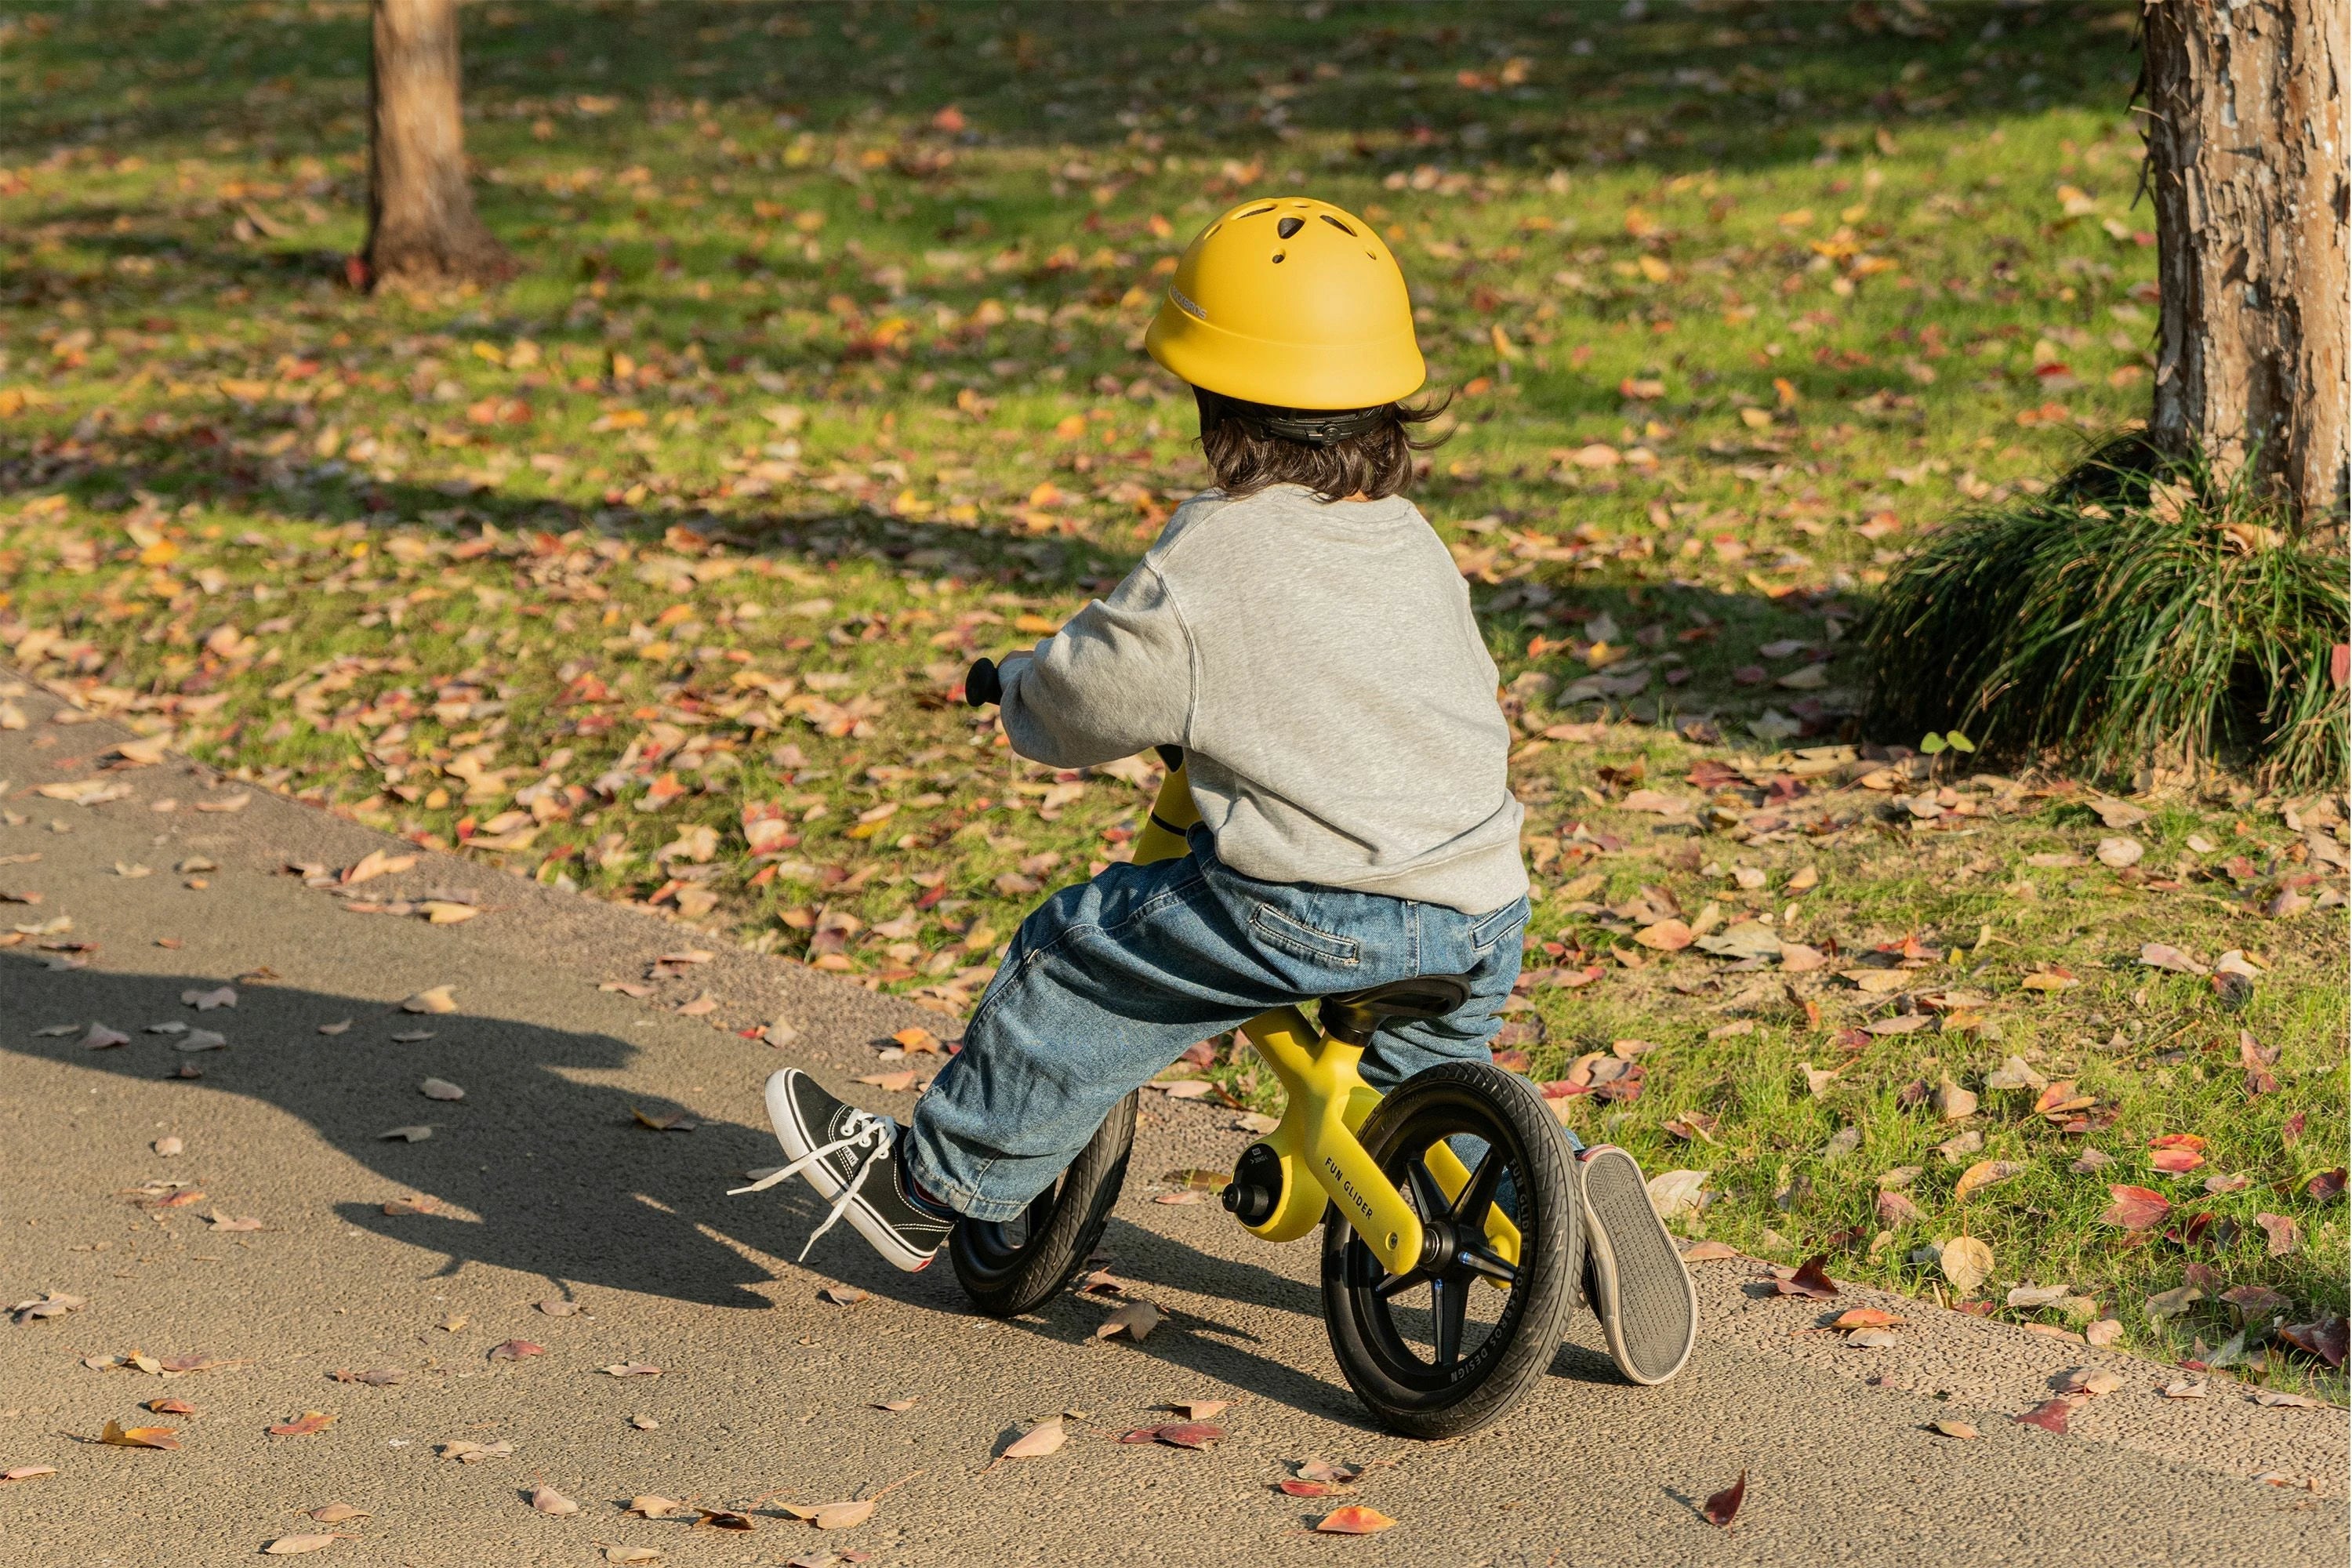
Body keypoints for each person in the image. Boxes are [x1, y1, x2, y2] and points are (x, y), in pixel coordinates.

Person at [739, 196, 1697, 1387]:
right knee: (1407, 1082)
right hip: (1475, 897)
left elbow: (1095, 698)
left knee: (1082, 962)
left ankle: (928, 1186)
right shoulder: (1407, 537)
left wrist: (1021, 692)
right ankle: (1541, 1204)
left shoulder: (1214, 553)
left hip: (1318, 908)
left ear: (1217, 400)